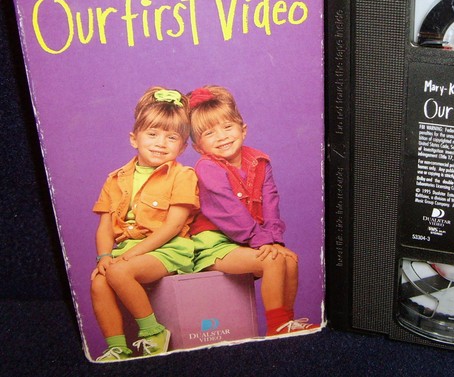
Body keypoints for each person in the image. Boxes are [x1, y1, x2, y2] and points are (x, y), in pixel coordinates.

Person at [187, 85, 318, 336]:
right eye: (209, 133)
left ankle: (287, 322)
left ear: (243, 129)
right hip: (214, 244)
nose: (222, 137)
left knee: (289, 259)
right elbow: (229, 212)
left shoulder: (260, 161)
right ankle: (276, 325)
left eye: (227, 127)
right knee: (272, 260)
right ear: (198, 147)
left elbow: (270, 202)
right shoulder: (207, 167)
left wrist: (274, 239)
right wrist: (261, 242)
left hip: (249, 239)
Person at [90, 87, 200, 361]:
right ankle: (118, 347)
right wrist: (105, 257)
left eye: (171, 137)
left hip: (169, 248)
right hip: (127, 250)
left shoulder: (183, 176)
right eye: (152, 134)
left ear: (182, 147)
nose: (160, 143)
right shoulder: (115, 178)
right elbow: (105, 226)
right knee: (99, 282)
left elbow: (172, 227)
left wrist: (129, 257)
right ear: (134, 138)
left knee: (119, 273)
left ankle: (154, 332)